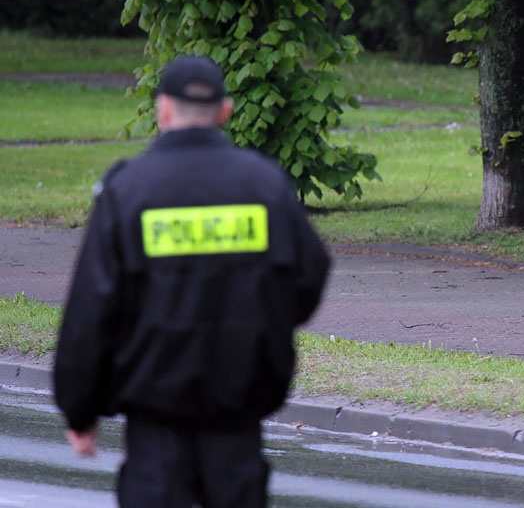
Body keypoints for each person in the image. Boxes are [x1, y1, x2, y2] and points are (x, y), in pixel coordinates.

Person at [53, 55, 331, 506]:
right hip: (238, 423)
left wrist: (80, 410)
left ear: (163, 109)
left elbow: (92, 310)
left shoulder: (129, 191)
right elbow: (310, 273)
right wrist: (267, 322)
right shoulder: (263, 185)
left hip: (155, 433)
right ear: (226, 111)